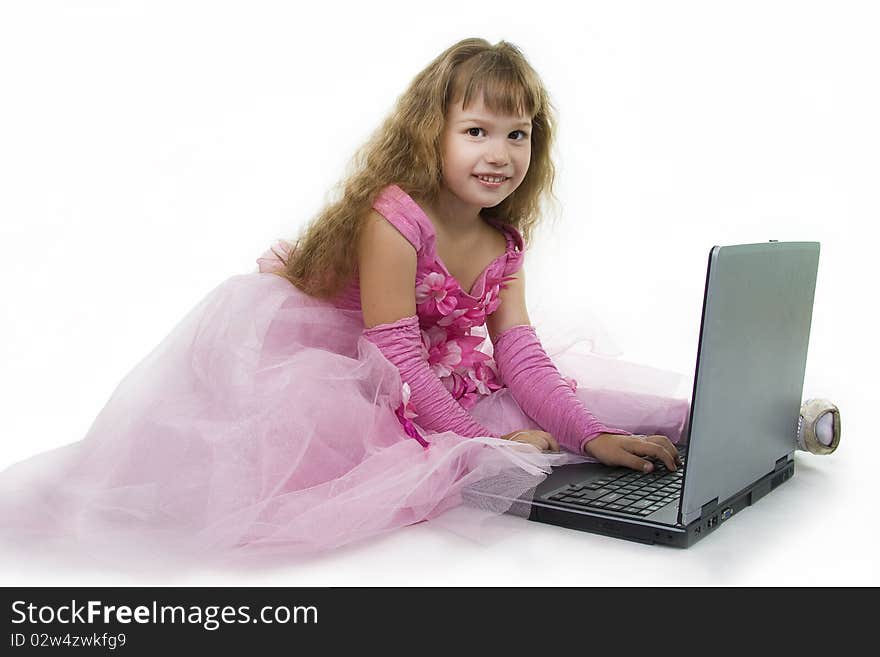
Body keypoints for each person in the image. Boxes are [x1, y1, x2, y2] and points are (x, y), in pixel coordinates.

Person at [0, 38, 827, 567]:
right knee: (508, 441)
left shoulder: (503, 240)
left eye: (519, 133)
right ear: (431, 133)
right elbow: (395, 355)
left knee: (589, 410)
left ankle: (763, 418)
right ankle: (540, 437)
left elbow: (522, 354)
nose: (500, 153)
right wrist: (483, 440)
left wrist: (591, 434)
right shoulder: (395, 216)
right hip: (366, 377)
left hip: (449, 373)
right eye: (477, 130)